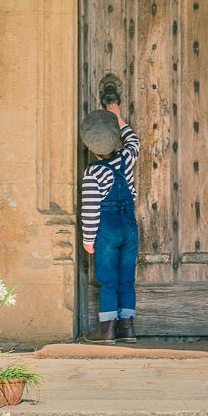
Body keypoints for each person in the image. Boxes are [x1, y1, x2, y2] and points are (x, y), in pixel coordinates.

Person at [80, 102, 140, 344]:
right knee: (127, 277)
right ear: (116, 141)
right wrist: (119, 118)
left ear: (91, 148)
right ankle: (127, 327)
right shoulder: (126, 158)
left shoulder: (93, 173)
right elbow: (134, 142)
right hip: (129, 227)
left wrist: (88, 240)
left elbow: (91, 210)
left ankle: (106, 329)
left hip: (106, 231)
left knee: (107, 279)